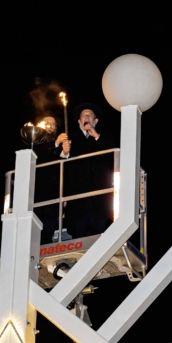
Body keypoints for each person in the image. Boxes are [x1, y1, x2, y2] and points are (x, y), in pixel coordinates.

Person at [58, 102, 115, 239]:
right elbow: (62, 168)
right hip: (78, 197)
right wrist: (64, 153)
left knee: (99, 235)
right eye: (84, 115)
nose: (87, 117)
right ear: (79, 121)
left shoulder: (104, 137)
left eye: (90, 115)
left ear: (95, 121)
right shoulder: (70, 140)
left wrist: (96, 136)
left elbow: (112, 156)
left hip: (100, 197)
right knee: (79, 233)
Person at [31, 112, 67, 244]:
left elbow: (64, 169)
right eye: (47, 123)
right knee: (35, 230)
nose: (51, 126)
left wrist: (65, 151)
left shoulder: (59, 145)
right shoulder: (33, 141)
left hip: (54, 195)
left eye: (53, 124)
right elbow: (38, 154)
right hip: (37, 194)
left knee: (50, 229)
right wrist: (56, 143)